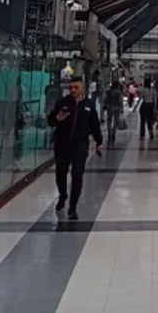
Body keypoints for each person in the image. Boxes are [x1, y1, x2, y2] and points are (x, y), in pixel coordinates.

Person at [47, 77, 104, 220]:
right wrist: (58, 118)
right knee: (61, 173)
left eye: (76, 87)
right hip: (62, 144)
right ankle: (63, 195)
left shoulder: (89, 105)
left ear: (82, 89)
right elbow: (51, 121)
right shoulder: (63, 103)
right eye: (71, 87)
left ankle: (72, 208)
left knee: (77, 175)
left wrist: (99, 142)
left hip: (80, 145)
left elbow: (95, 125)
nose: (73, 90)